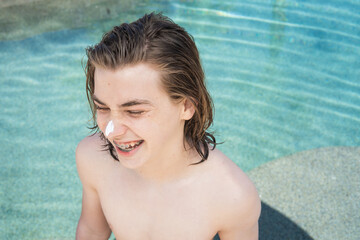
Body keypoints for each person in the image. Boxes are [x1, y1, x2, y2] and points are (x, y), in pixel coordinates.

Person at [76, 12, 261, 240]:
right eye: (102, 108)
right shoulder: (93, 159)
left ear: (186, 106)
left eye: (135, 111)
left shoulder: (231, 196)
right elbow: (93, 231)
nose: (111, 130)